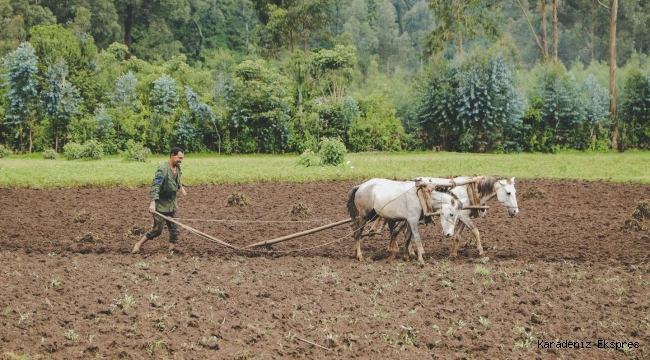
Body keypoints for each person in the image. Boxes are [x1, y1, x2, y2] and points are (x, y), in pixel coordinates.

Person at [132, 147, 187, 253]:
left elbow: (178, 178)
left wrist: (181, 187)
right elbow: (155, 186)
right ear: (172, 156)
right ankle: (138, 244)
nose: (181, 160)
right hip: (160, 204)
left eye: (182, 158)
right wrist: (152, 204)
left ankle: (172, 251)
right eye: (179, 158)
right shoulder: (162, 169)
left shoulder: (178, 167)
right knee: (157, 230)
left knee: (175, 229)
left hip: (172, 203)